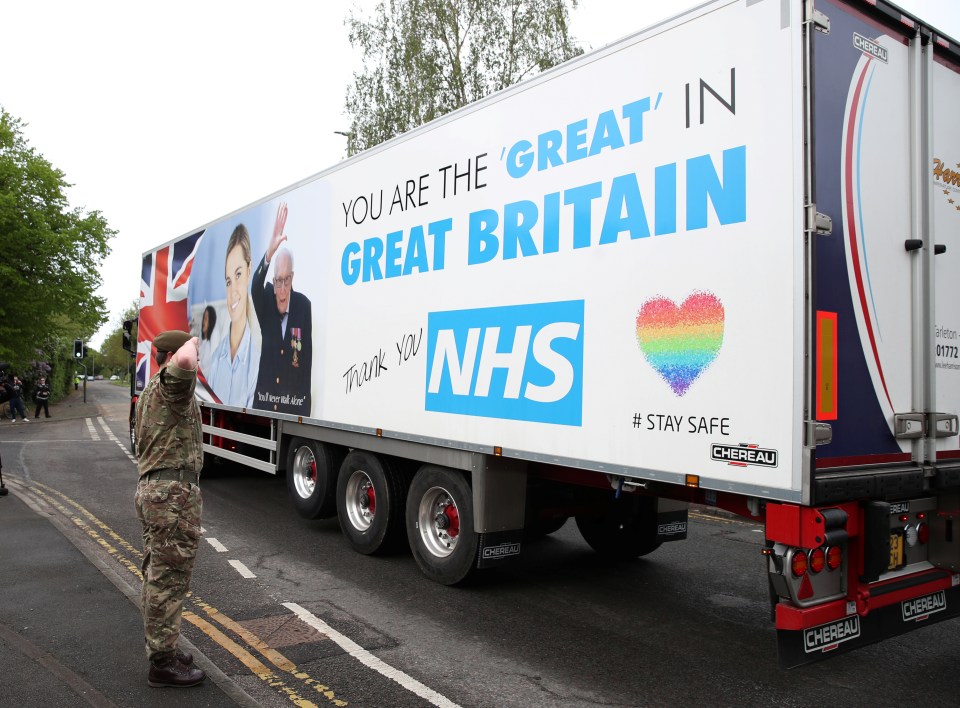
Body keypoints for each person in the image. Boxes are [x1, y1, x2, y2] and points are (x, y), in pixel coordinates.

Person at [134, 329, 206, 688]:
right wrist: (195, 340)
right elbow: (185, 361)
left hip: (158, 492)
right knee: (168, 579)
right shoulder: (170, 384)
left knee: (158, 573)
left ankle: (164, 649)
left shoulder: (152, 391)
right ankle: (161, 664)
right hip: (171, 496)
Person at [251, 202, 312, 415]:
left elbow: (306, 364)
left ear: (292, 278)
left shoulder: (303, 306)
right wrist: (269, 253)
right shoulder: (266, 302)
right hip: (263, 408)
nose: (282, 290)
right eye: (278, 281)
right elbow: (255, 287)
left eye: (286, 280)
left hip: (290, 410)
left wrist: (304, 416)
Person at [206, 224, 260, 407]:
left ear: (249, 269)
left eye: (238, 274)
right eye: (228, 281)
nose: (232, 292)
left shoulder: (257, 362)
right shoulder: (215, 360)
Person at [198, 304, 217, 373]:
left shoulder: (208, 347)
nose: (203, 322)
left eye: (206, 319)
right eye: (203, 318)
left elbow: (204, 371)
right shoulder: (201, 343)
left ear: (210, 322)